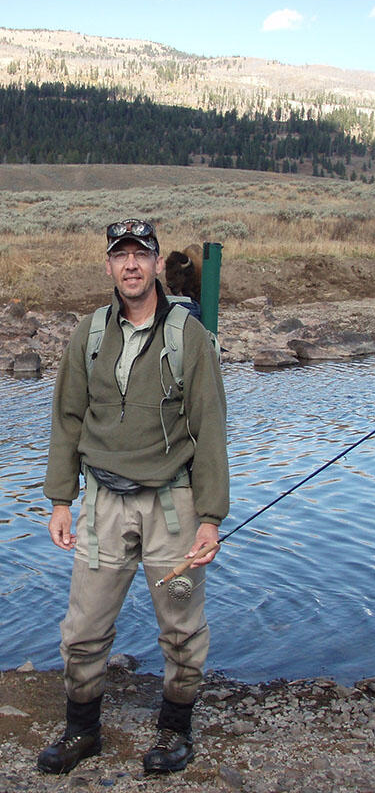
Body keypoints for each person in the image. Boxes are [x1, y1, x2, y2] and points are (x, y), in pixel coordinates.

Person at [38, 218, 229, 775]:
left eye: (140, 255)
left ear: (156, 263)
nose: (130, 266)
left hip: (174, 508)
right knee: (83, 628)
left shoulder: (188, 337)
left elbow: (210, 428)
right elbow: (67, 419)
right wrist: (59, 500)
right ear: (108, 266)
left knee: (182, 628)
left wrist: (211, 517)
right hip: (101, 506)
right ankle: (82, 731)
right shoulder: (89, 333)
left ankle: (174, 731)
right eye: (120, 256)